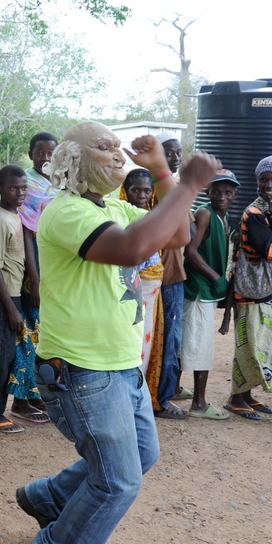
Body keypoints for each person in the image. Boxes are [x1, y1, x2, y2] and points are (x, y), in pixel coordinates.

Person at [15, 121, 219, 544]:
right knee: (117, 481)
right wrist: (188, 183)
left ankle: (48, 498)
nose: (117, 156)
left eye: (117, 149)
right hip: (82, 370)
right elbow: (132, 250)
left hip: (121, 365)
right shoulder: (67, 212)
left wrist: (166, 172)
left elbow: (178, 237)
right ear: (74, 158)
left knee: (142, 456)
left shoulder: (112, 207)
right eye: (104, 148)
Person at [222, 156, 272, 420]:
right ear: (256, 182)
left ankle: (247, 395)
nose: (269, 185)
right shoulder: (254, 213)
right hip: (252, 290)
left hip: (270, 289)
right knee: (249, 345)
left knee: (265, 344)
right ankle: (235, 398)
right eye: (264, 179)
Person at [119, 168, 185, 419]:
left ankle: (140, 400)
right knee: (131, 346)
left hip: (153, 291)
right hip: (133, 292)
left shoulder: (152, 216)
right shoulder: (122, 218)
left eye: (147, 190)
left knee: (147, 345)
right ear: (126, 190)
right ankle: (128, 401)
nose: (142, 195)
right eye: (136, 189)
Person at [179, 169, 240, 420]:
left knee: (188, 341)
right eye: (217, 191)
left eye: (228, 192)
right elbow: (190, 252)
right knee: (200, 345)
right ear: (208, 192)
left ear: (235, 195)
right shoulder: (205, 213)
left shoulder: (222, 217)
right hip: (199, 290)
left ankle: (172, 388)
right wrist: (216, 277)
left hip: (205, 290)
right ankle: (199, 404)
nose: (222, 196)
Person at [11, 132, 59, 425]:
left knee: (48, 332)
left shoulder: (61, 185)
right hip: (35, 266)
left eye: (51, 154)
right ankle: (21, 400)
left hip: (55, 265)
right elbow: (28, 233)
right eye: (39, 153)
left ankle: (38, 393)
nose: (45, 159)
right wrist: (35, 277)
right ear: (30, 154)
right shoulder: (26, 186)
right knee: (28, 332)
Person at [0, 165, 30, 434]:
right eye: (13, 188)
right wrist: (10, 308)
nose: (19, 192)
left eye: (23, 187)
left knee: (6, 356)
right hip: (2, 298)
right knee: (1, 358)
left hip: (13, 295)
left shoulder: (14, 214)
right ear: (0, 189)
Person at [156, 134, 189, 407]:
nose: (176, 158)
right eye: (169, 152)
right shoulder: (156, 188)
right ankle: (163, 398)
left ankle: (166, 389)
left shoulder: (172, 186)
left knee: (171, 336)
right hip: (163, 275)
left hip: (173, 272)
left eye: (178, 152)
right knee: (169, 337)